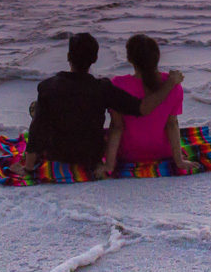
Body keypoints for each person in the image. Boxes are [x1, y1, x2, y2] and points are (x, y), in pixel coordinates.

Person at [10, 33, 183, 176]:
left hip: (56, 153)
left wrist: (28, 167)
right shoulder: (104, 88)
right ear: (94, 59)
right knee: (51, 107)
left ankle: (38, 113)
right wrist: (170, 84)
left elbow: (37, 129)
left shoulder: (47, 86)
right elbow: (143, 108)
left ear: (69, 57)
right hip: (91, 155)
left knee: (39, 109)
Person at [97, 34, 198, 179]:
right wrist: (179, 161)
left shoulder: (118, 84)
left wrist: (109, 165)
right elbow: (172, 124)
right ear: (157, 57)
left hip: (128, 154)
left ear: (129, 59)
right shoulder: (172, 85)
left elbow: (117, 127)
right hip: (162, 152)